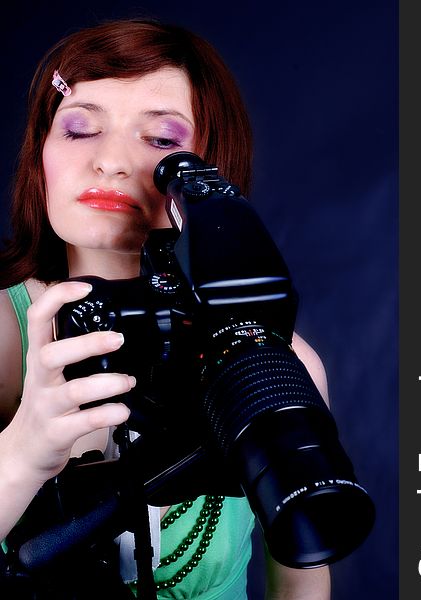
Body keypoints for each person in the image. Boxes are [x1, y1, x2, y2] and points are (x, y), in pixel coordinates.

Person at [0, 18, 331, 599]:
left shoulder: (277, 361)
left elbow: (301, 579)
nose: (111, 161)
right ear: (40, 156)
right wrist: (24, 450)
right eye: (78, 128)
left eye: (160, 142)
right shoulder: (6, 336)